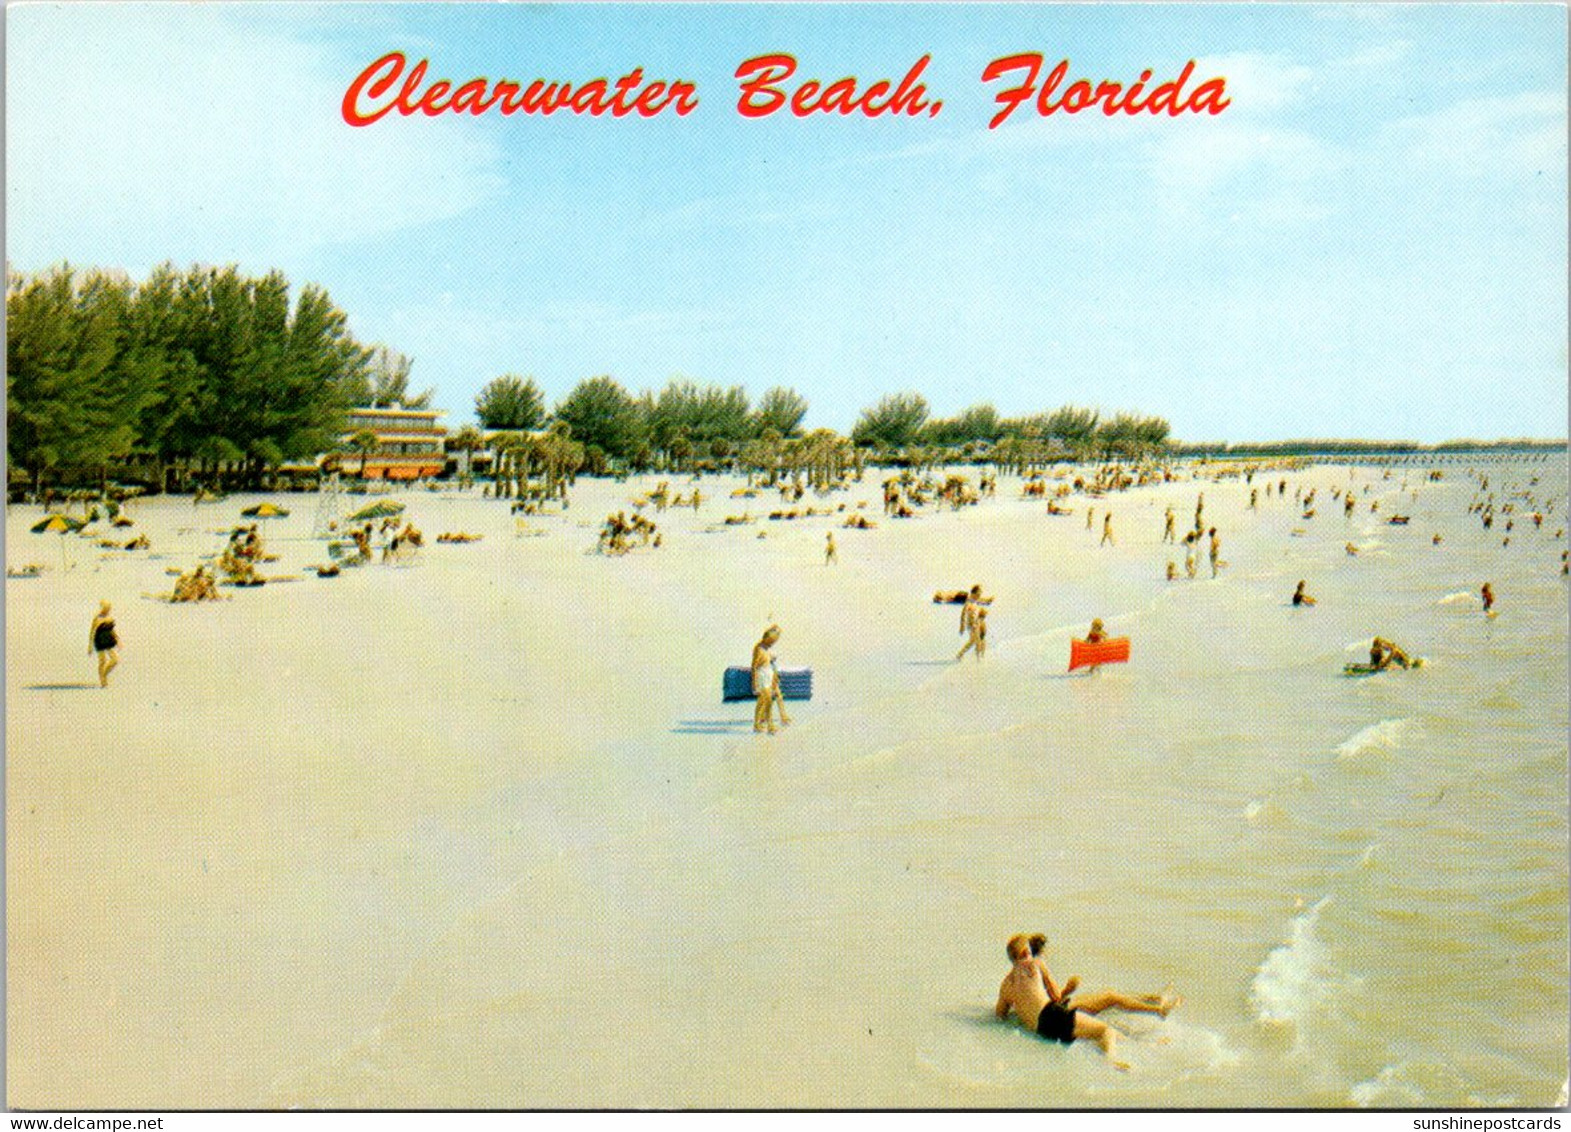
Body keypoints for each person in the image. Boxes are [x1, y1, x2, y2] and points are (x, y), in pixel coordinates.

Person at [752, 625, 787, 734]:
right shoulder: (758, 649)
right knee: (767, 701)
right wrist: (754, 683)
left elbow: (767, 660)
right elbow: (754, 666)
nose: (773, 643)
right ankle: (770, 726)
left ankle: (757, 724)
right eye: (772, 641)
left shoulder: (766, 649)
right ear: (766, 638)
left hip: (768, 674)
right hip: (762, 675)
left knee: (762, 701)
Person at [89, 601, 118, 688]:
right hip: (99, 640)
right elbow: (92, 631)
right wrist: (90, 645)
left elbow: (112, 630)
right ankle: (103, 681)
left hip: (108, 640)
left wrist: (117, 639)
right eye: (106, 608)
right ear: (102, 608)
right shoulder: (97, 618)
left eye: (109, 608)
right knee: (102, 661)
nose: (107, 610)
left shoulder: (110, 618)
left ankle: (104, 674)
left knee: (114, 659)